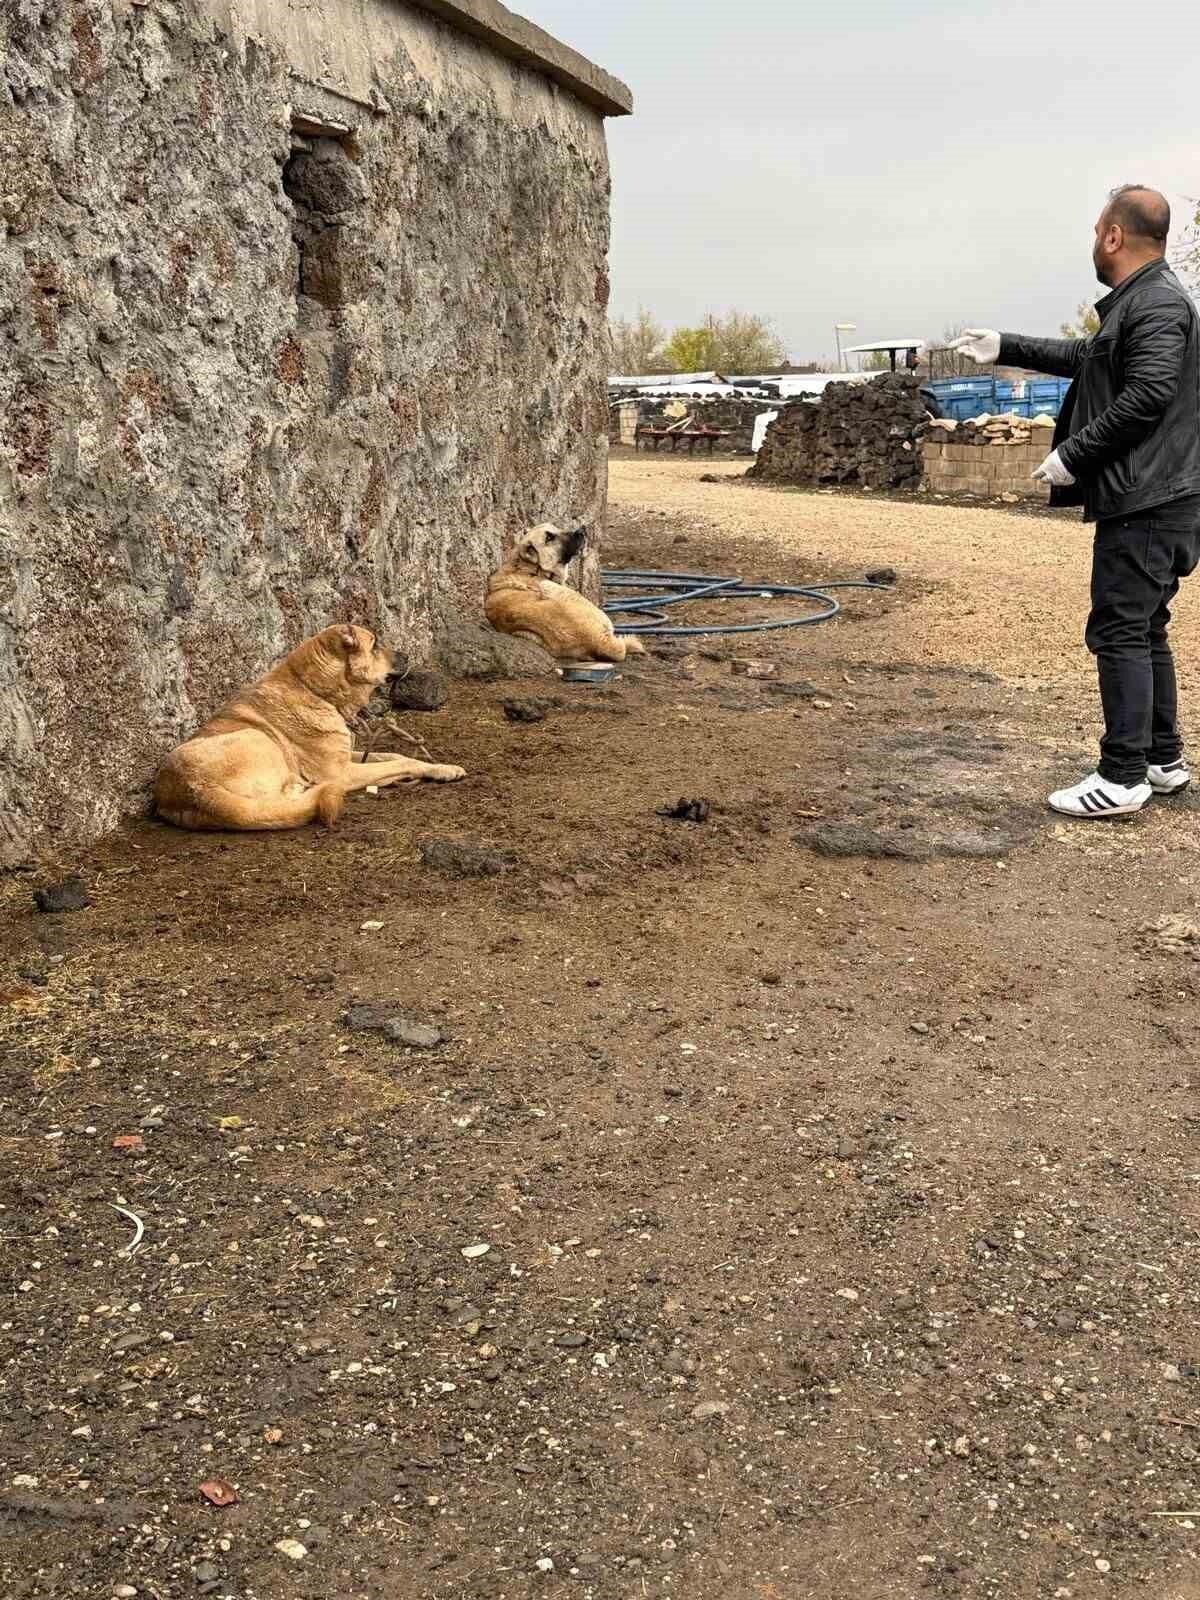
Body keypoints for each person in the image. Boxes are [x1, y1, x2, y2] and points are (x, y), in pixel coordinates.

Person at [951, 185, 1200, 819]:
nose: (1094, 241)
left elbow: (1146, 396)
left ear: (1114, 236)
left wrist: (1073, 455)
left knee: (1119, 629)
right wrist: (1006, 345)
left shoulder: (1158, 305)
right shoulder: (1142, 303)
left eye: (1097, 231)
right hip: (1159, 497)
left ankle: (1121, 777)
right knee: (1145, 628)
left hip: (1147, 501)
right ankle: (1161, 760)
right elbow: (1089, 358)